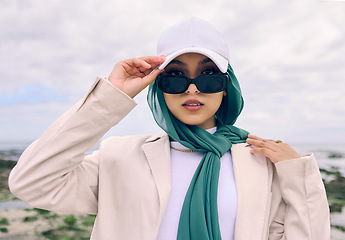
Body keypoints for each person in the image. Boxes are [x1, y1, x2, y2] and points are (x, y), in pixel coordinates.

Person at [9, 17, 330, 240]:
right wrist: (110, 97)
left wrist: (299, 175)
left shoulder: (261, 162)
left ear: (226, 87)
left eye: (208, 77)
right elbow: (32, 183)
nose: (192, 89)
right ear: (157, 86)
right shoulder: (119, 157)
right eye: (175, 77)